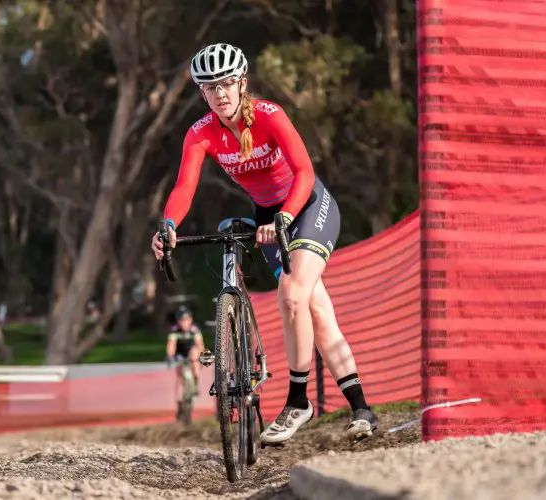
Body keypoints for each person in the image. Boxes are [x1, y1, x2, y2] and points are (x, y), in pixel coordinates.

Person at [150, 43, 379, 443]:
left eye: (226, 83)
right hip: (267, 217)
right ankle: (361, 408)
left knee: (292, 296)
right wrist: (168, 225)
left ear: (242, 82)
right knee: (317, 311)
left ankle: (297, 401)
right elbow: (184, 187)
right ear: (201, 93)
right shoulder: (201, 134)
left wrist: (287, 216)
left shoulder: (270, 116)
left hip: (306, 206)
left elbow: (304, 172)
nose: (220, 94)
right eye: (209, 87)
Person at [166, 305, 205, 409]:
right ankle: (179, 403)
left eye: (186, 320)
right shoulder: (174, 330)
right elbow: (171, 344)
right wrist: (170, 356)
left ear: (190, 319)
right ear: (177, 321)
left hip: (192, 355)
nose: (184, 323)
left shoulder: (194, 329)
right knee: (179, 378)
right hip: (180, 354)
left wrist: (202, 357)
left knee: (194, 352)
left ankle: (196, 380)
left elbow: (200, 345)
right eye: (181, 320)